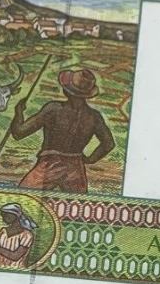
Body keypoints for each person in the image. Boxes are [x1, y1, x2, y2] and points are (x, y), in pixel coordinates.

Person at [8, 67, 114, 195]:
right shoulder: (94, 116)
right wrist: (90, 159)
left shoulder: (54, 109)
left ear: (67, 91)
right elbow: (108, 144)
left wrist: (18, 112)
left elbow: (18, 133)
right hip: (75, 169)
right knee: (77, 204)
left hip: (49, 165)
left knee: (22, 196)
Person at [0, 203, 36, 268]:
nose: (3, 219)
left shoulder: (27, 235)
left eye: (6, 215)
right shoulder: (2, 231)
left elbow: (15, 256)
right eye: (2, 216)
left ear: (15, 215)